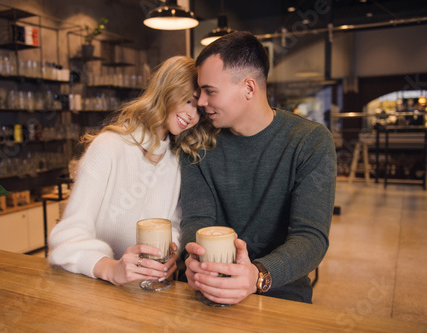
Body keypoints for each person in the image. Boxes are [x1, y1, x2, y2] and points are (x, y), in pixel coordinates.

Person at [180, 31, 337, 304]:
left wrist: (257, 275)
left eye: (210, 91)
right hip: (208, 285)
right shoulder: (198, 142)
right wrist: (195, 261)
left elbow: (311, 238)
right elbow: (196, 221)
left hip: (279, 290)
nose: (201, 102)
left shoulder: (309, 141)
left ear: (249, 88)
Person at [48, 55, 217, 286]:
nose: (192, 116)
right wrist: (110, 268)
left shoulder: (178, 159)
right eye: (189, 101)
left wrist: (172, 253)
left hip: (151, 295)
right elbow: (66, 236)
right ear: (167, 89)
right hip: (96, 292)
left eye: (200, 111)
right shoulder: (108, 146)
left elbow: (175, 224)